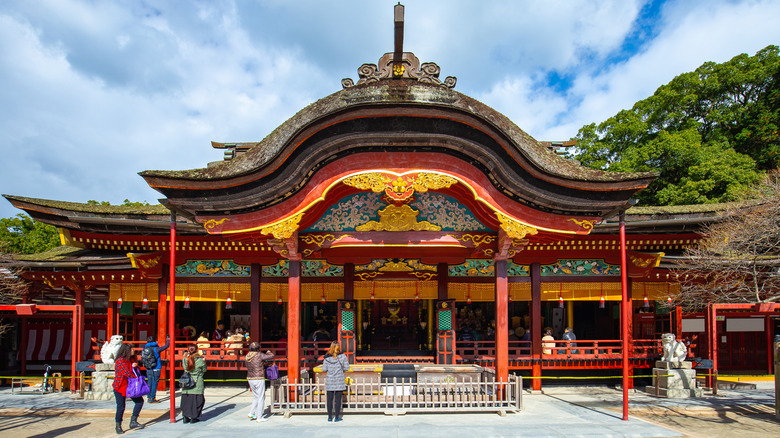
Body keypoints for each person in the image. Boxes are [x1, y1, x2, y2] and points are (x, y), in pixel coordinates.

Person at [112, 343, 144, 434]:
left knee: (139, 401)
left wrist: (136, 365)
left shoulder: (131, 359)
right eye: (131, 349)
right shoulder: (120, 361)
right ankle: (118, 425)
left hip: (131, 386)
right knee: (121, 407)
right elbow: (127, 372)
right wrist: (132, 366)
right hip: (120, 386)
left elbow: (137, 368)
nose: (133, 351)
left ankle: (133, 420)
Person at [245, 342, 274, 422]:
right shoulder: (259, 354)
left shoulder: (247, 356)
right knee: (261, 397)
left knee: (256, 396)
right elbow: (271, 356)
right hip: (258, 377)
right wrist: (268, 352)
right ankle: (259, 416)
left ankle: (251, 412)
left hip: (250, 377)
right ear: (258, 348)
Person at [321, 341, 349, 422]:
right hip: (339, 380)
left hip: (330, 380)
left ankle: (329, 417)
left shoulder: (326, 358)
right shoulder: (343, 357)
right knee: (338, 400)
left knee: (329, 400)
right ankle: (336, 417)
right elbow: (347, 368)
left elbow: (324, 369)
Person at [181, 344, 207, 423]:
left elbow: (185, 368)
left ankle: (185, 416)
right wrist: (204, 362)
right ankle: (194, 417)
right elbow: (204, 370)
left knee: (186, 400)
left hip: (187, 381)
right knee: (198, 400)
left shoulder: (185, 359)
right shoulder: (199, 360)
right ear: (196, 350)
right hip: (197, 381)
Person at [142, 334, 169, 403]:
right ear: (154, 341)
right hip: (156, 367)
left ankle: (148, 397)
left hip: (148, 368)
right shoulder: (156, 349)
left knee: (149, 382)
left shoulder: (145, 348)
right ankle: (152, 398)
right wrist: (168, 339)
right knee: (154, 383)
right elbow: (166, 346)